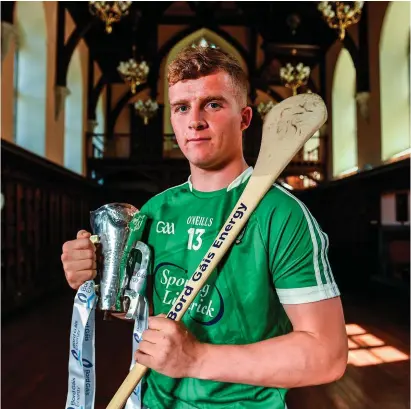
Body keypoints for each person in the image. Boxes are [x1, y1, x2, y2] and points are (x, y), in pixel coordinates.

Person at [61, 46, 348, 409]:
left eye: (212, 104)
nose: (194, 120)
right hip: (153, 401)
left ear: (245, 118)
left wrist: (196, 359)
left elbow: (328, 354)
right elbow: (133, 308)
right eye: (181, 108)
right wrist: (95, 274)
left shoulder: (281, 214)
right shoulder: (155, 210)